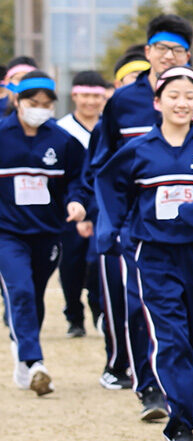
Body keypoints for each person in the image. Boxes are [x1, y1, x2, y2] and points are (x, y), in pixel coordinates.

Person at [96, 66, 193, 441]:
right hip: (154, 255)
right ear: (157, 102)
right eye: (173, 95)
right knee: (171, 339)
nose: (182, 102)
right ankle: (180, 426)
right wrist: (111, 229)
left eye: (190, 96)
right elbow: (110, 186)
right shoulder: (138, 150)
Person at [84, 14, 193, 420]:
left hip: (191, 233)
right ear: (147, 52)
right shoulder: (123, 102)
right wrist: (110, 221)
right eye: (161, 49)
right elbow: (103, 164)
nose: (167, 56)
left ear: (188, 55)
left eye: (177, 50)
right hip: (138, 229)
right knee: (140, 307)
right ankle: (150, 387)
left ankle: (188, 379)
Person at [1, 72, 88, 397]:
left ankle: (22, 362)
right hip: (6, 232)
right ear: (17, 102)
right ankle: (35, 362)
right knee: (20, 289)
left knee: (33, 295)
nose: (39, 109)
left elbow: (78, 179)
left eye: (45, 104)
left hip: (48, 232)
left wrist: (78, 202)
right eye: (32, 103)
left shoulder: (63, 140)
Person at [56, 71, 110, 338]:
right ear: (75, 95)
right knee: (71, 264)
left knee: (98, 263)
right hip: (70, 207)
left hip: (102, 206)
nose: (91, 101)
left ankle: (100, 312)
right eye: (85, 95)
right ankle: (74, 316)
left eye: (97, 96)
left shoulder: (109, 127)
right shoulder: (61, 130)